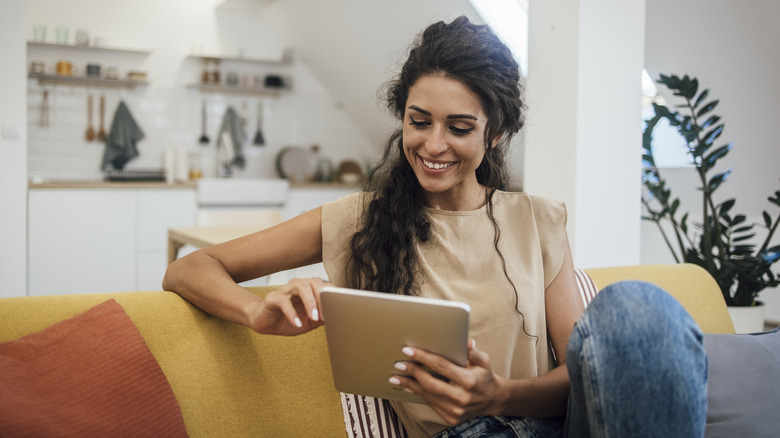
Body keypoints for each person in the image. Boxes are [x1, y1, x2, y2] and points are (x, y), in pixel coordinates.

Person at [163, 16, 707, 438]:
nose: (433, 145)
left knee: (638, 307)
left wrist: (501, 394)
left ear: (495, 134)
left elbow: (584, 377)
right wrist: (256, 311)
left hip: (564, 427)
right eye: (418, 121)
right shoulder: (359, 219)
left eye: (460, 127)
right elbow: (191, 269)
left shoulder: (537, 220)